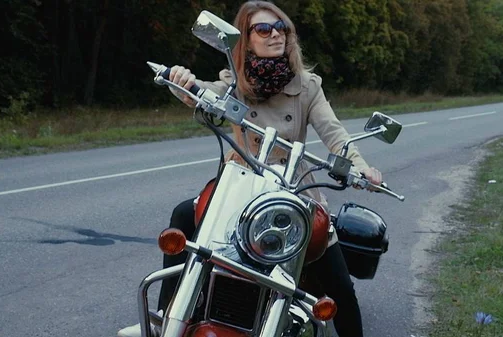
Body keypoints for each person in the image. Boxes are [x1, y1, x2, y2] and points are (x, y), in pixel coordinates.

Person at [118, 1, 382, 337]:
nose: (275, 35)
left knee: (339, 284)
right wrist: (182, 81)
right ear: (246, 38)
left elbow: (335, 134)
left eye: (281, 28)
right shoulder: (234, 83)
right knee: (184, 215)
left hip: (293, 190)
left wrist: (360, 166)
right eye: (263, 29)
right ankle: (166, 314)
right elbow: (204, 93)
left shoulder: (307, 86)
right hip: (240, 188)